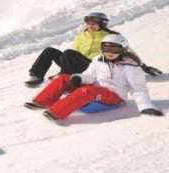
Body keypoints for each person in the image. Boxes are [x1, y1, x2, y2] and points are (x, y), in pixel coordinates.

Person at [24, 34, 164, 121]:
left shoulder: (131, 67)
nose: (109, 52)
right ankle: (41, 102)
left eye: (114, 49)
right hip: (95, 89)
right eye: (106, 48)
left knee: (87, 91)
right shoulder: (98, 59)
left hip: (113, 97)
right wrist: (79, 78)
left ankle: (56, 112)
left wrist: (145, 107)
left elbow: (138, 90)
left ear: (123, 50)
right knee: (64, 77)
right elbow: (89, 75)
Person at [25, 12, 161, 87]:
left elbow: (128, 52)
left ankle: (64, 76)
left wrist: (143, 66)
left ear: (102, 24)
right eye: (89, 24)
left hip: (94, 66)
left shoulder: (112, 36)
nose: (90, 26)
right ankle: (36, 76)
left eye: (94, 24)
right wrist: (68, 61)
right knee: (50, 51)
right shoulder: (81, 35)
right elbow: (74, 52)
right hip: (76, 62)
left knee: (68, 53)